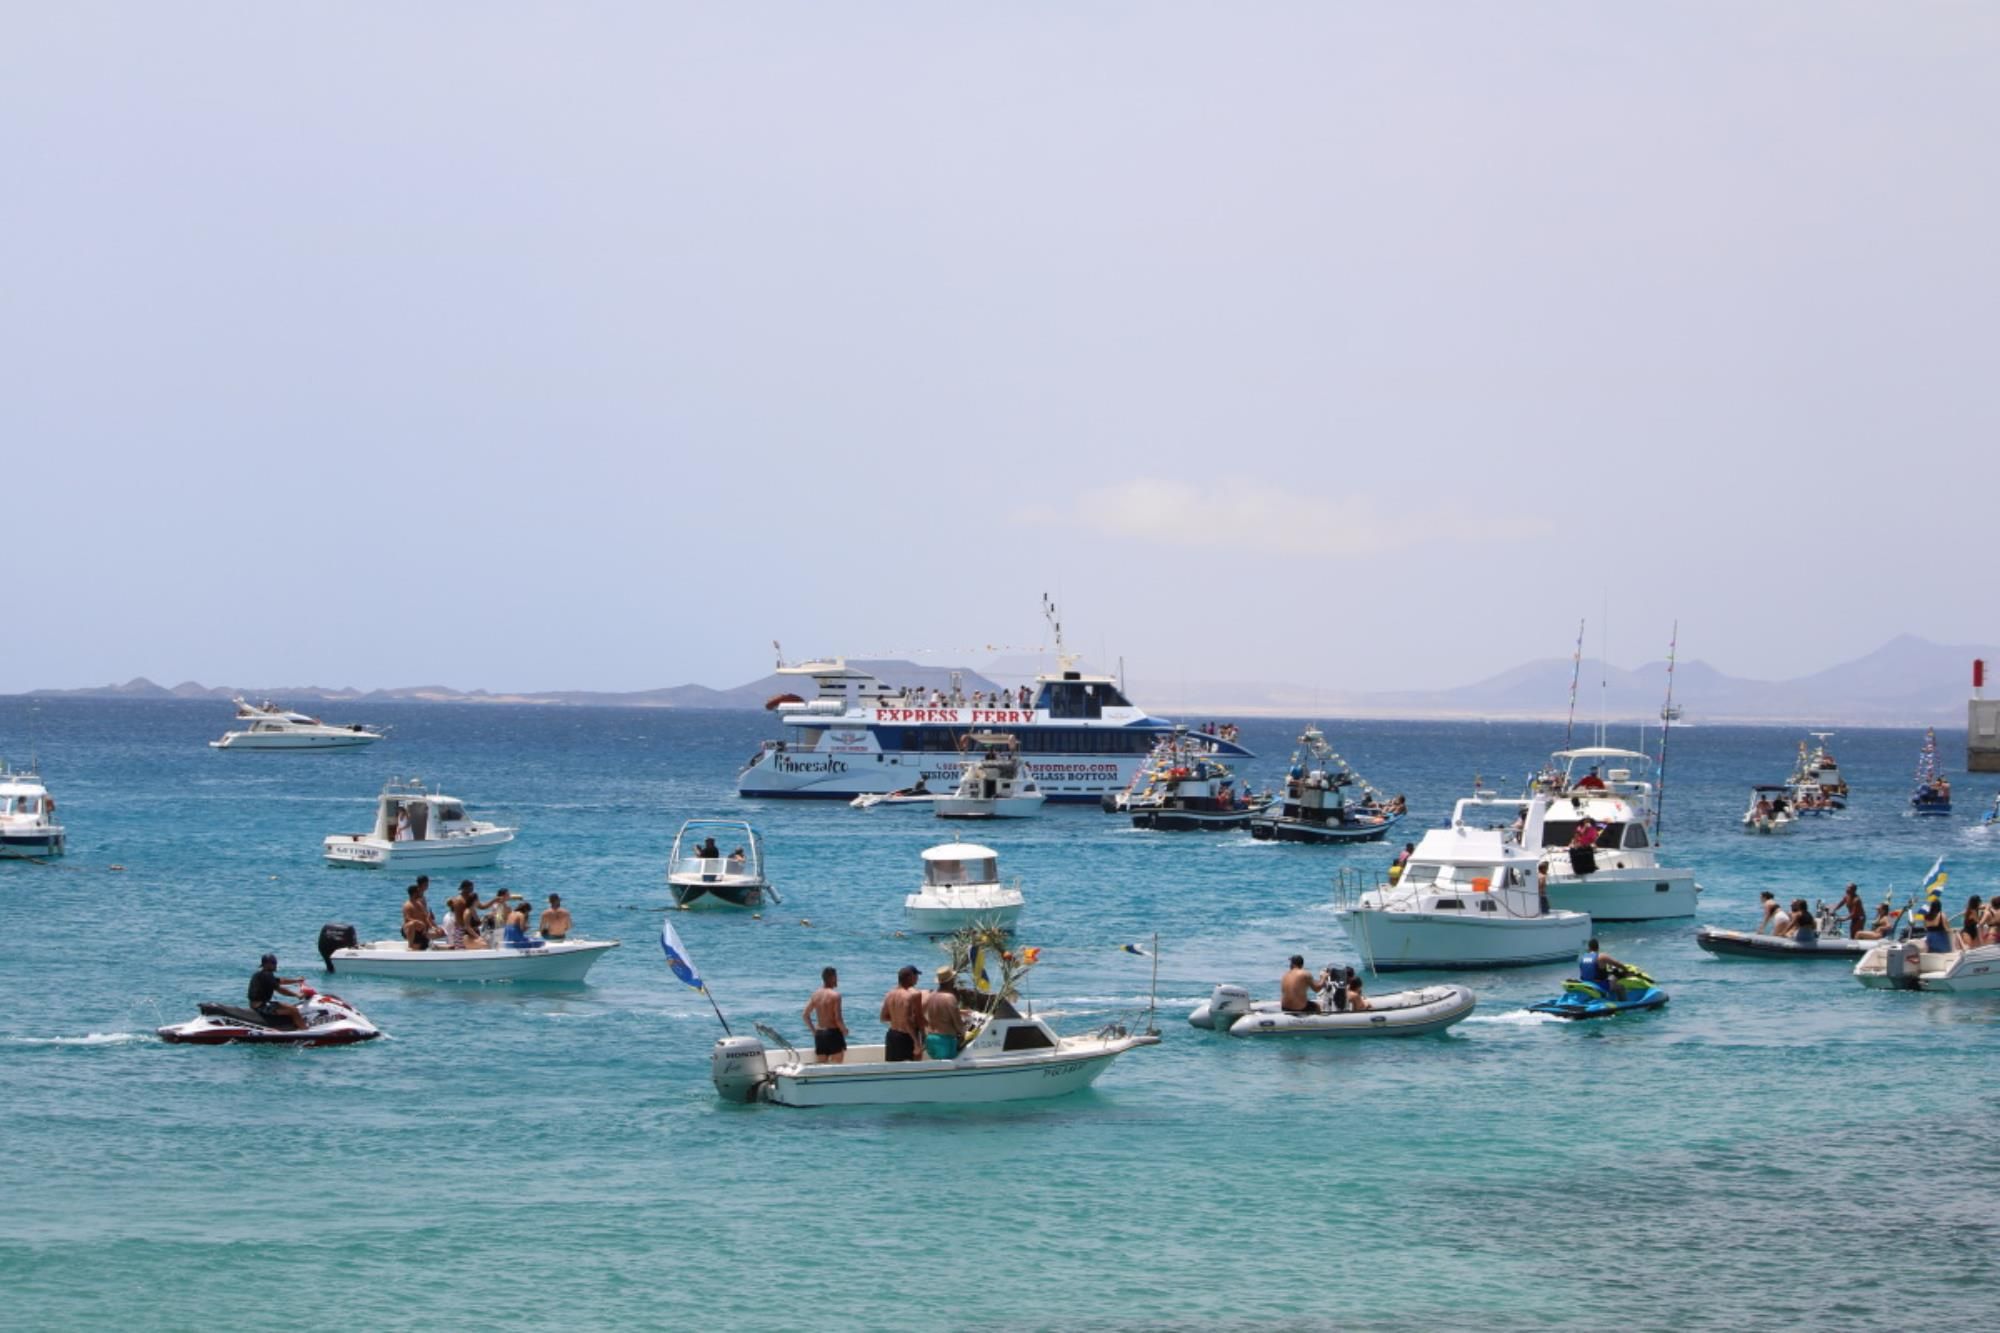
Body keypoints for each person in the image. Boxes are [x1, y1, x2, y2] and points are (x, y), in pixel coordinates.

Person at [247, 953, 306, 1029]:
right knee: (294, 1011)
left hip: (261, 1004)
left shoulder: (262, 974)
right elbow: (280, 990)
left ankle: (291, 1027)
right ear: (266, 964)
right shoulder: (266, 975)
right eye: (273, 963)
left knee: (291, 1007)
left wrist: (297, 980)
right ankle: (306, 1031)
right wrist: (297, 995)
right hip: (261, 1007)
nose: (275, 965)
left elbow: (281, 981)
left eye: (275, 962)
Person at [879, 965, 924, 1062]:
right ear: (910, 977)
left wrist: (897, 1019)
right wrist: (917, 1042)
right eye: (916, 976)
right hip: (906, 1037)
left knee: (893, 1067)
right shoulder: (907, 996)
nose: (917, 979)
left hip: (892, 1035)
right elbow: (906, 1020)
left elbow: (883, 1017)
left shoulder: (889, 994)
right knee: (912, 1068)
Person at [802, 967, 847, 1063]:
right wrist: (844, 1030)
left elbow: (805, 1015)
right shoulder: (835, 996)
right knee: (836, 1066)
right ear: (832, 978)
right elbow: (838, 1018)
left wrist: (814, 1031)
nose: (837, 979)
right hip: (833, 1033)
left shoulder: (816, 995)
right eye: (836, 977)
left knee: (822, 1067)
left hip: (820, 1035)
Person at [922, 967, 964, 1060]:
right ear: (950, 981)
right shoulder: (949, 998)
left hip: (930, 1039)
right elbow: (957, 1023)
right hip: (945, 1040)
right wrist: (964, 1034)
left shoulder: (931, 995)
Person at [401, 882, 439, 950]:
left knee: (439, 932)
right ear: (414, 893)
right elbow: (407, 918)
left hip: (421, 929)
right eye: (418, 891)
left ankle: (429, 944)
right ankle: (410, 946)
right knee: (411, 924)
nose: (420, 893)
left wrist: (432, 927)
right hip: (410, 930)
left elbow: (425, 916)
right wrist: (418, 922)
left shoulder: (419, 904)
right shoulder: (407, 905)